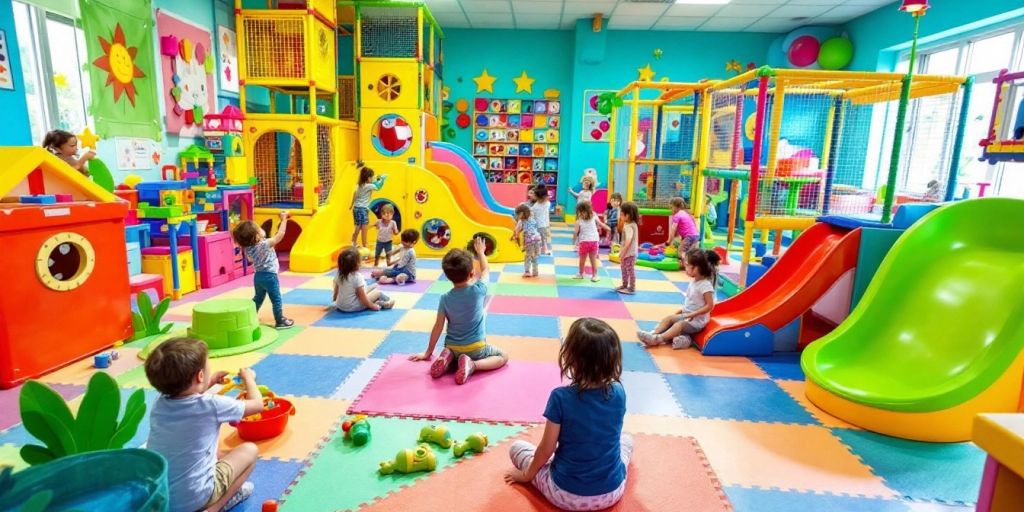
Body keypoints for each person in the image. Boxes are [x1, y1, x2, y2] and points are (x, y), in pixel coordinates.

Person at [504, 318, 632, 511]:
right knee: (627, 441)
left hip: (566, 495)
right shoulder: (619, 392)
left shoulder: (560, 398)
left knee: (517, 448)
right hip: (612, 491)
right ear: (613, 359)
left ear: (571, 357)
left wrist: (526, 476)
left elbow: (546, 450)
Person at [145, 337, 261, 512]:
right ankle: (214, 508)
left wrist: (211, 381)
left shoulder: (159, 404)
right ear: (200, 376)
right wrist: (249, 379)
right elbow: (257, 405)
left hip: (161, 499)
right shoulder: (212, 405)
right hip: (195, 498)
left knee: (216, 452)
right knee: (250, 451)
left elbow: (186, 397)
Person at [410, 237, 508, 385]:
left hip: (452, 346)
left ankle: (448, 357)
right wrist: (481, 252)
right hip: (476, 349)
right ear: (471, 273)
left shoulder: (445, 298)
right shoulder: (478, 290)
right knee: (503, 356)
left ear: (448, 276)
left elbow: (438, 326)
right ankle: (473, 365)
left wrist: (428, 352)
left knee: (453, 352)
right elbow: (486, 269)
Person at [638, 249, 720, 349]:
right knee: (669, 318)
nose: (685, 268)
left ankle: (658, 339)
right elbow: (691, 302)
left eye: (687, 265)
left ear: (695, 268)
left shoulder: (705, 285)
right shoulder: (694, 282)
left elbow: (709, 306)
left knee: (679, 325)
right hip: (687, 316)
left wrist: (692, 314)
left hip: (697, 321)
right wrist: (680, 312)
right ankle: (653, 333)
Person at [232, 211, 294, 329]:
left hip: (258, 276)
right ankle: (279, 320)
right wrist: (284, 219)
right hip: (270, 276)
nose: (261, 229)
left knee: (258, 297)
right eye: (258, 229)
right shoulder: (264, 244)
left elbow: (250, 259)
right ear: (256, 236)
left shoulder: (247, 248)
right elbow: (280, 235)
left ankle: (250, 316)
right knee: (276, 299)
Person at [334, 247, 395, 311]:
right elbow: (362, 296)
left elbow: (337, 288)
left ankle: (378, 302)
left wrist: (335, 299)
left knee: (374, 286)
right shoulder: (356, 277)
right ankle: (387, 301)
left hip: (340, 305)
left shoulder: (339, 274)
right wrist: (372, 306)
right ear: (357, 264)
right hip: (353, 307)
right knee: (378, 292)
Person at [350, 162, 386, 249]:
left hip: (356, 208)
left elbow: (355, 194)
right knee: (364, 227)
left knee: (358, 226)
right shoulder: (369, 186)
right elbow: (378, 187)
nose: (373, 178)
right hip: (362, 209)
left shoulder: (359, 185)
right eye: (372, 177)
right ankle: (364, 244)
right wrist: (382, 179)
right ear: (368, 178)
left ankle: (353, 241)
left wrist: (351, 204)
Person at [572, 201, 610, 282]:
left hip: (588, 242)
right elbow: (600, 224)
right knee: (587, 259)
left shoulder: (580, 220)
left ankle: (585, 274)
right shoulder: (593, 216)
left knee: (588, 259)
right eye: (580, 213)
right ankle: (589, 274)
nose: (581, 214)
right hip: (590, 241)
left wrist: (574, 242)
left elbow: (575, 232)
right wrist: (607, 228)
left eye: (581, 212)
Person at [512, 203, 543, 278]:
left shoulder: (521, 221)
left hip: (530, 240)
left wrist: (515, 236)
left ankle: (527, 271)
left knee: (528, 256)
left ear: (521, 214)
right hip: (537, 238)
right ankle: (535, 272)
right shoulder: (532, 219)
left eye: (517, 214)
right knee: (534, 256)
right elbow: (533, 228)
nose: (516, 216)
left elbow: (516, 230)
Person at [615, 202, 640, 295]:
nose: (620, 216)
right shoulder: (630, 223)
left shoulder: (629, 226)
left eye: (621, 214)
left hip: (629, 253)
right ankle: (625, 285)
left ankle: (632, 288)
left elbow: (628, 240)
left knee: (629, 270)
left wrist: (623, 252)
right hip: (628, 252)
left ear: (628, 215)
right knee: (624, 269)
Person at [530, 184, 553, 256]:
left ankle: (543, 248)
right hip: (540, 224)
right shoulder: (547, 203)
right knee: (541, 237)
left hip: (542, 224)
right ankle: (542, 248)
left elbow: (531, 211)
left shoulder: (538, 205)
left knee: (542, 237)